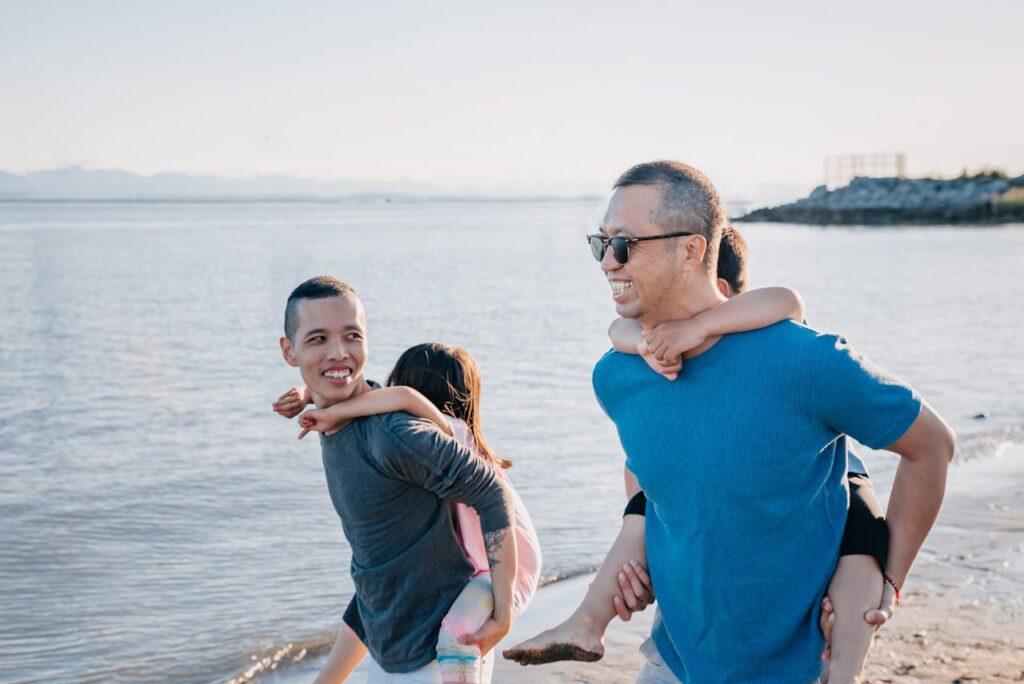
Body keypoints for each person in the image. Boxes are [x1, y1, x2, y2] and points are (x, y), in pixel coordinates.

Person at [577, 161, 953, 683]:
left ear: (690, 250)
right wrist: (645, 571)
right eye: (600, 244)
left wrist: (889, 581)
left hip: (800, 668)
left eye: (622, 244)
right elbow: (652, 491)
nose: (606, 263)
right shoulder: (616, 376)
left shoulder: (802, 361)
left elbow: (931, 446)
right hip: (671, 663)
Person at [505, 225, 891, 681]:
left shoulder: (773, 342)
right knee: (642, 510)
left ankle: (845, 665)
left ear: (715, 287)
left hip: (833, 474)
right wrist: (645, 344)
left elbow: (789, 300)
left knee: (863, 542)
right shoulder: (653, 371)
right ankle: (588, 619)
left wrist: (698, 325)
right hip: (687, 631)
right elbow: (618, 333)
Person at [277, 276, 518, 683]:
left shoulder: (394, 436)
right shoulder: (337, 420)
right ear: (290, 351)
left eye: (352, 336)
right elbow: (377, 566)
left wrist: (504, 612)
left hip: (438, 658)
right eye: (317, 339)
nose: (339, 353)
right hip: (389, 651)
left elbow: (491, 492)